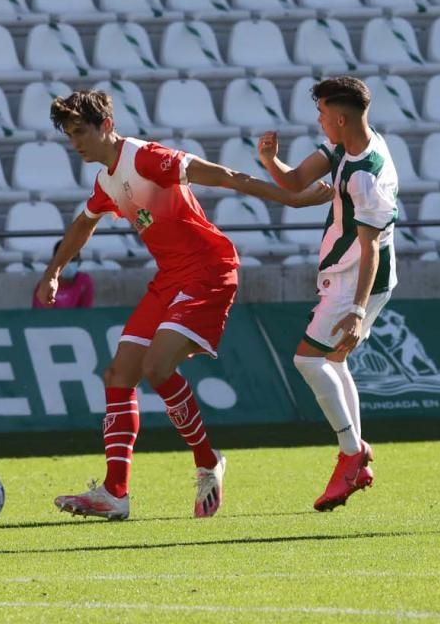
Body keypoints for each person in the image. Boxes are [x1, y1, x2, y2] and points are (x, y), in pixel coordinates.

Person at [38, 89, 331, 520]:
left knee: (157, 367)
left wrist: (292, 199)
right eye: (69, 135)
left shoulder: (147, 159)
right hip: (170, 278)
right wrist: (53, 271)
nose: (76, 142)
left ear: (105, 126)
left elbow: (225, 175)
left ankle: (208, 462)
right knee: (119, 373)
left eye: (81, 131)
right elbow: (83, 224)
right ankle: (115, 492)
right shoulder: (106, 181)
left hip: (210, 270)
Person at [257, 76, 399, 511]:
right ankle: (357, 452)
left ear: (340, 118)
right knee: (332, 360)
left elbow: (370, 245)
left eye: (321, 114)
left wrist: (356, 309)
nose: (318, 120)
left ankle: (351, 453)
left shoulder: (366, 174)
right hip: (354, 275)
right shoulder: (345, 147)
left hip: (357, 278)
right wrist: (269, 161)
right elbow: (296, 182)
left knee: (308, 359)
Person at [32, 240, 93, 309]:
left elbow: (86, 314)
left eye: (73, 260)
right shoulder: (45, 286)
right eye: (64, 259)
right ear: (55, 261)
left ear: (79, 261)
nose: (68, 263)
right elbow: (41, 317)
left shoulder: (84, 282)